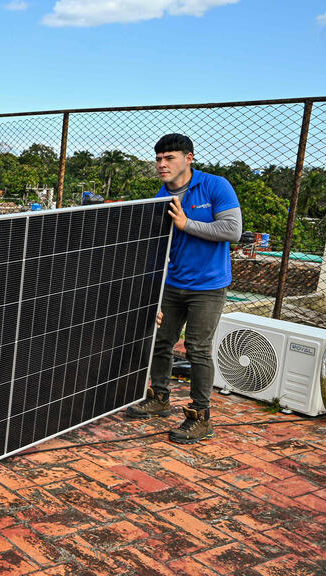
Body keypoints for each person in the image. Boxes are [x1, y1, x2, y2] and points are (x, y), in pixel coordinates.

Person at [125, 133, 242, 444]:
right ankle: (159, 398)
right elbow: (152, 250)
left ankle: (201, 416)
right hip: (170, 284)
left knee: (197, 349)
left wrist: (187, 224)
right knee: (160, 342)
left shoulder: (215, 186)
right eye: (159, 159)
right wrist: (150, 295)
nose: (162, 164)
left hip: (208, 286)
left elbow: (233, 230)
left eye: (170, 158)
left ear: (189, 158)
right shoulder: (159, 197)